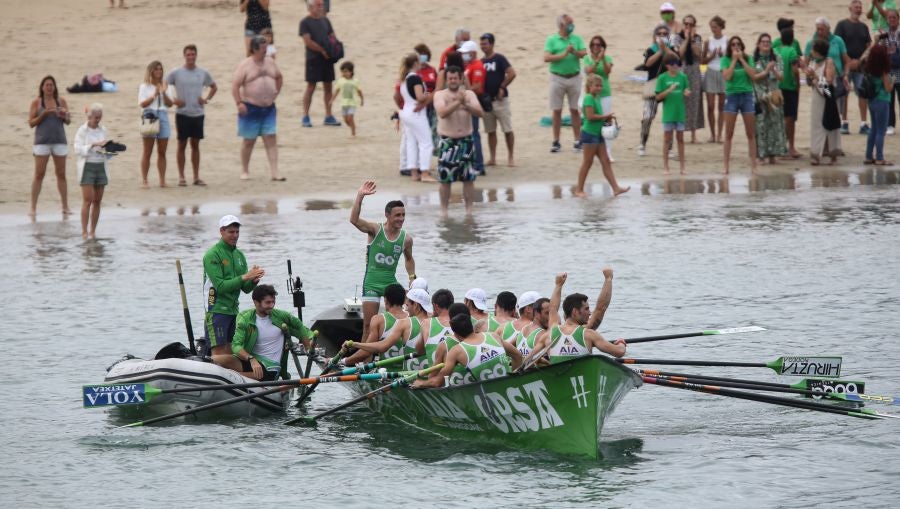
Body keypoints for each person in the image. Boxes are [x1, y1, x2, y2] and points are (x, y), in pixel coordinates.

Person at [349, 181, 415, 343]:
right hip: (371, 284)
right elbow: (354, 220)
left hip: (390, 284)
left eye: (403, 215)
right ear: (387, 215)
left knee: (410, 315)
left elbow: (409, 259)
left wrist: (412, 278)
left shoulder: (406, 238)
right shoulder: (375, 230)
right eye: (397, 215)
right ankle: (364, 363)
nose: (401, 219)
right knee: (368, 326)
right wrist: (360, 196)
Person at [525, 273, 626, 366]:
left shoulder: (549, 334)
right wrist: (621, 343)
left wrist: (558, 285)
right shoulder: (588, 334)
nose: (590, 312)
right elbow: (619, 352)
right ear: (575, 312)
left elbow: (528, 360)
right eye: (586, 309)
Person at [202, 214, 265, 358]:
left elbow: (246, 289)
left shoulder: (239, 255)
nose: (235, 235)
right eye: (231, 232)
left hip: (233, 311)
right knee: (219, 354)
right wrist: (245, 276)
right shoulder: (212, 254)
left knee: (231, 351)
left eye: (237, 232)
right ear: (221, 231)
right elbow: (221, 286)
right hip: (216, 309)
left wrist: (254, 280)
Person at [223, 285, 314, 381]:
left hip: (271, 368)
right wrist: (251, 359)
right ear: (256, 302)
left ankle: (227, 378)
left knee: (229, 376)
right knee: (217, 359)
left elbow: (299, 326)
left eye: (273, 302)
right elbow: (236, 346)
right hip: (252, 361)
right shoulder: (245, 319)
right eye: (268, 302)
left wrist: (308, 345)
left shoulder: (280, 316)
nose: (271, 305)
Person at [413, 308, 522, 388]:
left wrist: (421, 383)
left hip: (488, 394)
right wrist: (511, 378)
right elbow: (518, 356)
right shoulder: (493, 335)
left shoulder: (456, 351)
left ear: (454, 333)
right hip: (509, 386)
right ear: (471, 325)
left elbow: (437, 382)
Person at [232, 35, 284, 181]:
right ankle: (245, 170)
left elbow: (279, 77)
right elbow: (235, 85)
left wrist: (276, 92)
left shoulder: (270, 62)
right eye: (262, 48)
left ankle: (275, 172)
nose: (265, 50)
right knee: (249, 140)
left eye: (266, 46)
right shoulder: (245, 65)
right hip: (250, 108)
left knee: (271, 138)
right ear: (254, 49)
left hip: (268, 108)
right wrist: (239, 103)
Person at [433, 66, 484, 215]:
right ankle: (444, 211)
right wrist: (457, 103)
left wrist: (465, 104)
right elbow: (442, 113)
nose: (453, 81)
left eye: (456, 78)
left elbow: (480, 112)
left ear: (461, 79)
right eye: (450, 78)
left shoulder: (469, 94)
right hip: (448, 142)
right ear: (447, 79)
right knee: (445, 179)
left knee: (469, 178)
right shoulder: (440, 95)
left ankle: (469, 210)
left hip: (466, 142)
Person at [167, 44, 217, 186]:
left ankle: (196, 176)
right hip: (182, 113)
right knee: (182, 144)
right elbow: (163, 85)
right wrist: (173, 100)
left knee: (195, 145)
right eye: (188, 54)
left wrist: (206, 99)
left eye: (193, 54)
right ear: (184, 56)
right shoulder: (176, 73)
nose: (191, 57)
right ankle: (181, 177)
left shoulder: (202, 72)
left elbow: (214, 86)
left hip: (198, 113)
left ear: (196, 55)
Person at [344, 285, 430, 368]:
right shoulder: (429, 321)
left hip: (388, 374)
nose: (406, 308)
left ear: (385, 300)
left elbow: (371, 351)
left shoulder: (383, 320)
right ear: (403, 300)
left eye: (408, 305)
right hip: (419, 373)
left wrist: (345, 359)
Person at [575, 75, 629, 197]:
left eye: (600, 86)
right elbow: (590, 117)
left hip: (599, 134)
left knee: (606, 161)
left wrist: (608, 119)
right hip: (589, 134)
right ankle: (579, 189)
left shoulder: (597, 97)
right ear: (589, 87)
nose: (599, 88)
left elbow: (598, 116)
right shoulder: (588, 98)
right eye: (596, 86)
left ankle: (616, 188)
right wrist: (605, 116)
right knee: (587, 162)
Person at [29, 75, 71, 217]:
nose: (49, 87)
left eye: (51, 85)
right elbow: (31, 123)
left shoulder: (61, 101)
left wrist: (64, 116)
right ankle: (33, 208)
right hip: (42, 142)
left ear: (54, 87)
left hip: (59, 140)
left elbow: (68, 121)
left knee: (61, 174)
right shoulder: (37, 102)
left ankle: (65, 207)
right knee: (39, 174)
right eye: (46, 85)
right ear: (42, 87)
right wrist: (44, 114)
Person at [544, 13, 587, 153]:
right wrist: (563, 54)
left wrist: (573, 51)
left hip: (574, 77)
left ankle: (577, 140)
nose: (572, 25)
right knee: (556, 110)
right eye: (569, 23)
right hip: (557, 78)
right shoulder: (552, 39)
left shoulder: (577, 38)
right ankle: (556, 141)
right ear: (562, 25)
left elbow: (584, 53)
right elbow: (547, 57)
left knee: (575, 110)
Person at [721, 35, 760, 174]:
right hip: (732, 96)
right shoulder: (725, 60)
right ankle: (726, 165)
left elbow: (753, 75)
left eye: (738, 44)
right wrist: (733, 60)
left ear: (742, 46)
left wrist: (742, 59)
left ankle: (753, 164)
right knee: (728, 133)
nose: (736, 46)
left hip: (747, 96)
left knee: (750, 133)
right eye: (733, 44)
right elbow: (727, 76)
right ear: (729, 47)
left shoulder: (748, 58)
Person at [299, 0, 341, 127]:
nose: (321, 7)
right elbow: (308, 41)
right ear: (310, 7)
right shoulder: (305, 22)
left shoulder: (325, 21)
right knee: (311, 87)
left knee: (328, 86)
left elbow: (332, 36)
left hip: (327, 58)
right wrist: (322, 50)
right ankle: (305, 116)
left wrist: (335, 47)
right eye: (318, 5)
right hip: (313, 59)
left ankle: (328, 115)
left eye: (322, 5)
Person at [73, 103, 110, 240]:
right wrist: (93, 145)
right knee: (87, 200)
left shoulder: (103, 130)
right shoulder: (82, 131)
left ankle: (93, 231)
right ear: (89, 116)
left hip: (101, 166)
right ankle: (84, 231)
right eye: (96, 117)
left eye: (100, 117)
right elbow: (78, 149)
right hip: (87, 166)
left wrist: (109, 148)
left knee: (97, 201)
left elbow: (106, 150)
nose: (98, 120)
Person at [836, 1, 873, 134]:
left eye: (860, 7)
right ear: (850, 8)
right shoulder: (842, 25)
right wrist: (848, 61)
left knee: (863, 94)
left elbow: (869, 46)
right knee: (844, 94)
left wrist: (860, 60)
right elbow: (838, 45)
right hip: (845, 65)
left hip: (860, 67)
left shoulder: (864, 27)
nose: (858, 9)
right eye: (856, 7)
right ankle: (844, 122)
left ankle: (863, 123)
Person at [480, 33, 516, 167]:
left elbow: (512, 73)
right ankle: (493, 157)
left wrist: (502, 86)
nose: (483, 46)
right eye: (481, 44)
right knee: (490, 131)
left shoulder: (499, 58)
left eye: (485, 43)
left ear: (491, 44)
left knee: (507, 129)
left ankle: (511, 157)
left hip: (501, 100)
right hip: (487, 102)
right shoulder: (481, 62)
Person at [640, 24, 676, 157]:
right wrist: (660, 51)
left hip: (668, 86)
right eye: (659, 34)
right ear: (655, 36)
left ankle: (670, 147)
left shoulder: (671, 49)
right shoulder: (651, 49)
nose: (661, 36)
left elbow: (676, 61)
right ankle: (642, 144)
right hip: (652, 86)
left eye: (664, 34)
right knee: (648, 117)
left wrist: (666, 49)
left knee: (670, 118)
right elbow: (647, 64)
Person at [752, 34, 788, 164]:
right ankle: (760, 155)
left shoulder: (777, 58)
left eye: (768, 42)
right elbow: (754, 77)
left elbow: (781, 77)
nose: (766, 44)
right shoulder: (753, 59)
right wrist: (767, 70)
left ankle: (773, 154)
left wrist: (774, 69)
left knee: (774, 125)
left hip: (773, 96)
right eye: (763, 42)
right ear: (758, 44)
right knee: (760, 125)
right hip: (759, 95)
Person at [398, 54, 434, 182]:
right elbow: (420, 97)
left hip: (406, 112)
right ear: (415, 64)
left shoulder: (404, 78)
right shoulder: (416, 78)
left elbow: (399, 96)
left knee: (411, 142)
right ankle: (424, 173)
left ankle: (414, 173)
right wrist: (428, 94)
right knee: (426, 142)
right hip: (416, 113)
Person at [805, 39, 841, 165]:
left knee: (830, 124)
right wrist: (809, 76)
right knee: (816, 125)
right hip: (816, 98)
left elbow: (829, 82)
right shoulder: (813, 62)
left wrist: (814, 76)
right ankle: (815, 154)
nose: (811, 51)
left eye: (813, 49)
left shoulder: (828, 62)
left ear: (818, 51)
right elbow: (809, 82)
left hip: (828, 98)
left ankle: (833, 156)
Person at [805, 18, 851, 115]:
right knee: (822, 111)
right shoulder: (811, 43)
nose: (820, 32)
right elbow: (806, 64)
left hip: (833, 81)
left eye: (822, 29)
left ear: (828, 29)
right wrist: (810, 76)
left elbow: (828, 87)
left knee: (833, 111)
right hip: (819, 84)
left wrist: (846, 75)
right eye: (818, 29)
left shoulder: (836, 43)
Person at [139, 61, 174, 188]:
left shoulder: (166, 85)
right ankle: (144, 180)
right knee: (147, 151)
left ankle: (162, 180)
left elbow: (170, 104)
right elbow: (142, 104)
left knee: (162, 151)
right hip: (149, 115)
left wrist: (163, 93)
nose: (159, 71)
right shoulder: (144, 87)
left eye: (160, 69)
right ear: (151, 71)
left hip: (163, 114)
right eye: (156, 69)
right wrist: (154, 95)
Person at [655, 54, 690, 175]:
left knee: (680, 139)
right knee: (667, 139)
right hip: (668, 113)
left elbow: (687, 90)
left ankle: (682, 167)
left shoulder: (683, 77)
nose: (675, 66)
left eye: (676, 64)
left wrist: (686, 92)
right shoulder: (662, 78)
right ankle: (665, 167)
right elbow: (658, 96)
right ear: (667, 66)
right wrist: (669, 90)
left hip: (680, 112)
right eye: (672, 64)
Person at [583, 35, 614, 161]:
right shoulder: (586, 58)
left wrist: (603, 59)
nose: (596, 47)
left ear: (603, 47)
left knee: (606, 122)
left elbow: (607, 72)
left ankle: (608, 152)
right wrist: (596, 61)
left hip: (605, 92)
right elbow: (589, 71)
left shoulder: (608, 58)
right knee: (592, 119)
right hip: (592, 93)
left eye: (599, 45)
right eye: (594, 45)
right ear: (590, 47)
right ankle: (593, 148)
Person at [863, 44, 894, 164]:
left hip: (872, 100)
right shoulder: (883, 71)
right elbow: (888, 88)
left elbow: (864, 56)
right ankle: (880, 157)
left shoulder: (868, 68)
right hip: (882, 100)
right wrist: (892, 80)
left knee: (874, 129)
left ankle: (868, 156)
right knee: (881, 131)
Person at [459, 40, 486, 175]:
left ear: (473, 53)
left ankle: (479, 165)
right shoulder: (470, 65)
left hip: (473, 104)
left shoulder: (477, 66)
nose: (464, 56)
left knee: (474, 134)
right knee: (471, 134)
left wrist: (464, 91)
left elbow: (478, 87)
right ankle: (474, 163)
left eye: (466, 53)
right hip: (468, 103)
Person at [677, 14, 704, 144]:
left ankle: (693, 134)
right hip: (681, 72)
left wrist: (692, 39)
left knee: (695, 102)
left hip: (694, 72)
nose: (688, 26)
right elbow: (680, 54)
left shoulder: (698, 38)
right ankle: (680, 132)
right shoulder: (677, 37)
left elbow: (698, 53)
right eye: (686, 24)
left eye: (690, 24)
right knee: (681, 101)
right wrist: (686, 39)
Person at [776, 28, 803, 158]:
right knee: (790, 119)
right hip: (789, 88)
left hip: (778, 87)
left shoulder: (777, 50)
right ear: (792, 39)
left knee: (780, 118)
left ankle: (780, 146)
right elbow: (795, 70)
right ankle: (790, 147)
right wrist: (797, 84)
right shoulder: (792, 51)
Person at [703, 16, 728, 143]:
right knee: (710, 105)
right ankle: (712, 134)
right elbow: (702, 61)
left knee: (722, 105)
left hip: (722, 72)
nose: (713, 29)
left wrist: (723, 56)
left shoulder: (727, 40)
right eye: (711, 27)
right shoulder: (708, 41)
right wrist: (712, 56)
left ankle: (719, 134)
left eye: (715, 27)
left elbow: (729, 58)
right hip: (711, 71)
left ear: (720, 27)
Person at [331, 61, 364, 136]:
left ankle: (353, 132)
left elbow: (359, 91)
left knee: (350, 118)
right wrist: (332, 99)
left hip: (352, 103)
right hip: (343, 104)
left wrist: (362, 99)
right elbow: (337, 90)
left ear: (351, 71)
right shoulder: (340, 81)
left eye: (346, 71)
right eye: (342, 72)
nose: (344, 73)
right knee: (346, 120)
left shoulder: (355, 81)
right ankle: (352, 127)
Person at [883, 9, 900, 134]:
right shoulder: (884, 34)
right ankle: (890, 125)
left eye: (894, 17)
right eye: (890, 18)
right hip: (889, 71)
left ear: (898, 19)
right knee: (890, 98)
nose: (892, 20)